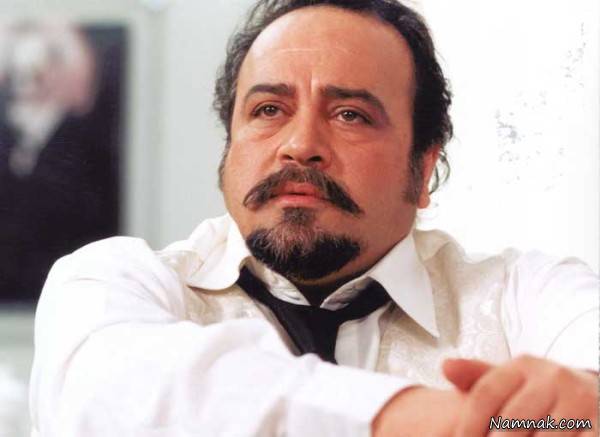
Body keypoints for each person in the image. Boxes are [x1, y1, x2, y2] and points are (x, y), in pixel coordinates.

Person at [29, 1, 598, 436]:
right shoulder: (117, 281)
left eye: (350, 115)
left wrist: (566, 410)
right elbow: (109, 393)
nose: (300, 145)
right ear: (229, 148)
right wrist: (435, 421)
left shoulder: (529, 295)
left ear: (424, 168)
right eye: (268, 110)